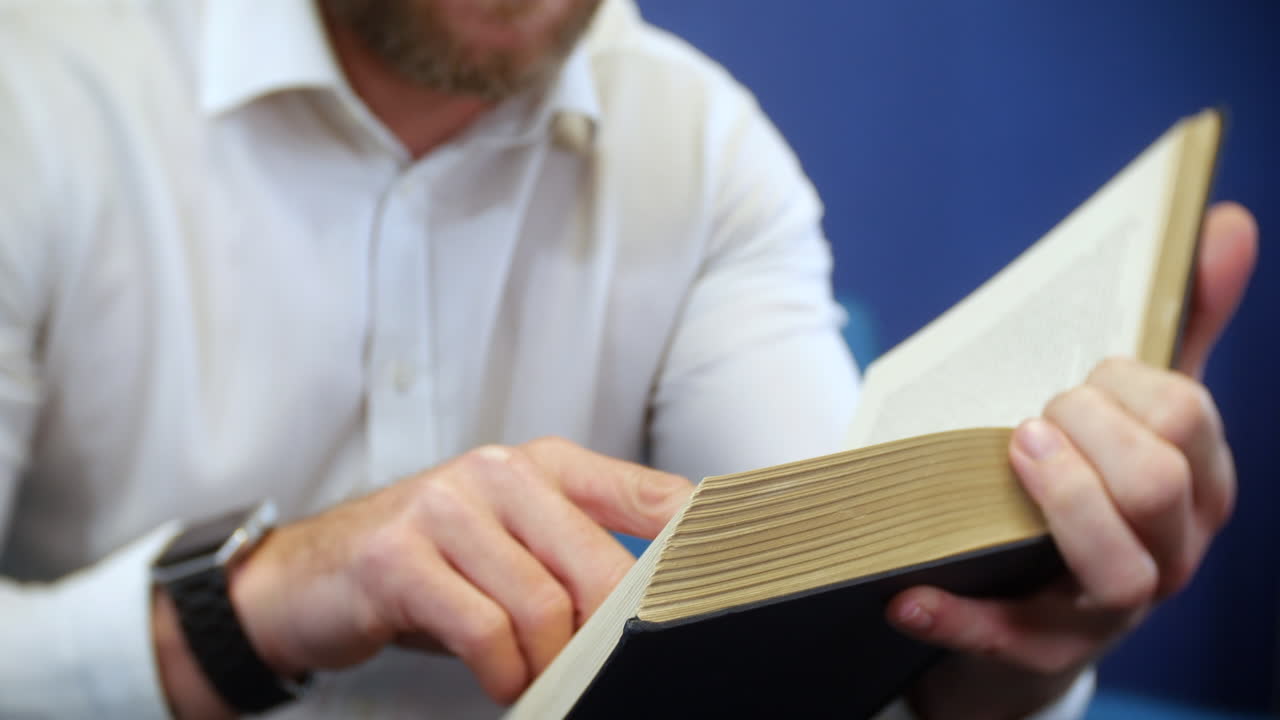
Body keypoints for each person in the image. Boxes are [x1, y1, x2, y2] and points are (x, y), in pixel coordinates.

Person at [0, 0, 1257, 718]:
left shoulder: (705, 150)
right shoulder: (38, 91)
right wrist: (255, 603)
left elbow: (851, 651)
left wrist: (1026, 626)